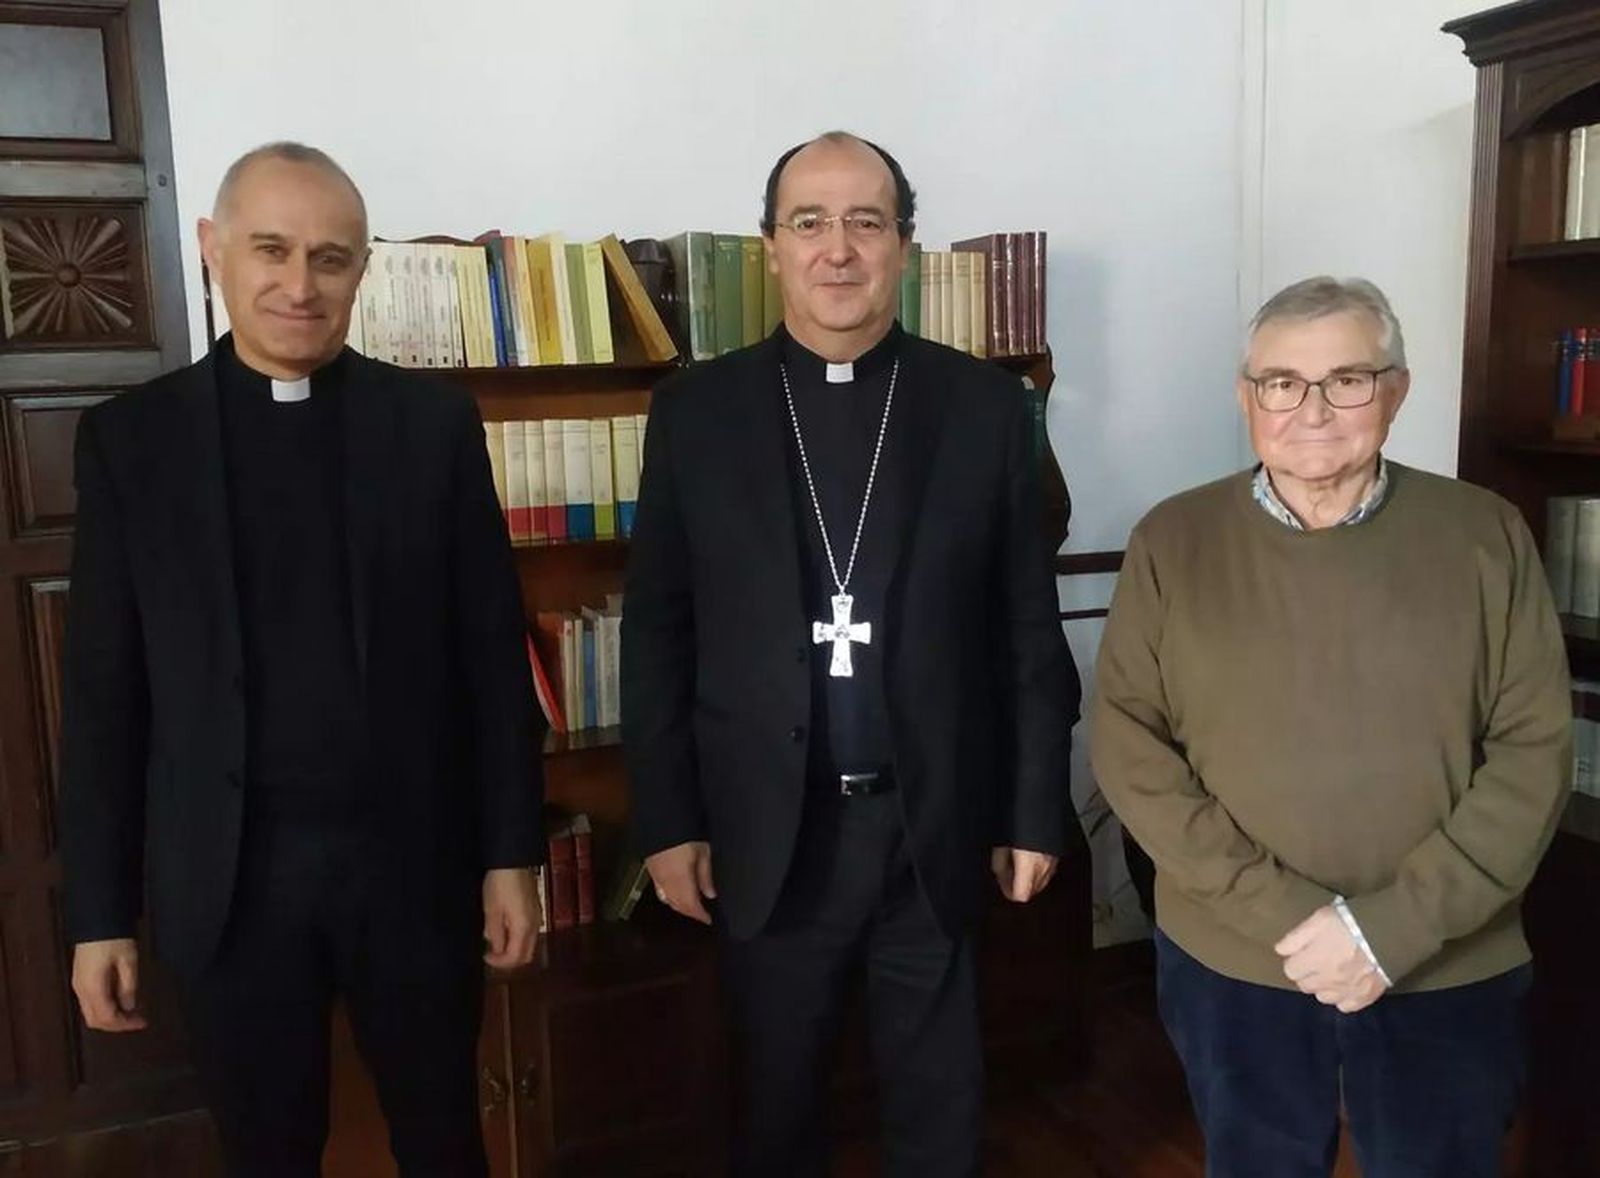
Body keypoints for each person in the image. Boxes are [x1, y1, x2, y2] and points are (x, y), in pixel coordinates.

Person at [58, 141, 543, 1177]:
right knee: (268, 1149)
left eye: (331, 257)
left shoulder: (432, 427)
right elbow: (104, 697)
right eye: (270, 250)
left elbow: (491, 658)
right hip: (231, 878)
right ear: (211, 250)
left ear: (362, 270)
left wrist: (513, 850)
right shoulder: (129, 443)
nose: (299, 283)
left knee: (443, 1137)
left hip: (410, 864)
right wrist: (98, 913)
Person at [621, 131, 1081, 1177]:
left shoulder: (984, 408)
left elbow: (1024, 624)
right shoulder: (695, 411)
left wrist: (1029, 807)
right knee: (773, 1108)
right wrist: (667, 817)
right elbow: (658, 627)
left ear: (904, 246)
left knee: (938, 1108)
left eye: (866, 222)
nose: (839, 249)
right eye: (810, 223)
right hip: (766, 830)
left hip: (931, 822)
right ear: (771, 246)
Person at [1091, 276, 1571, 1177]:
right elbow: (1129, 741)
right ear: (1248, 399)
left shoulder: (1486, 535)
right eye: (1282, 382)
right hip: (1236, 959)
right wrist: (1291, 917)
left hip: (1445, 958)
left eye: (1347, 379)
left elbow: (1534, 750)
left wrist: (1389, 930)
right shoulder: (1173, 539)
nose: (1312, 409)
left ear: (1395, 390)